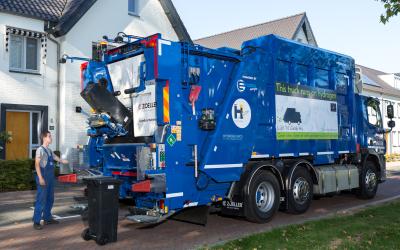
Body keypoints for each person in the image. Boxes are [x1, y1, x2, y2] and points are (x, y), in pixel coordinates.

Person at [33, 131, 69, 230]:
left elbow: (55, 157)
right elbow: (37, 164)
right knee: (41, 200)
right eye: (49, 136)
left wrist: (65, 161)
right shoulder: (40, 150)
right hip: (43, 178)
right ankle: (36, 221)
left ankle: (47, 218)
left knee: (50, 199)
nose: (51, 138)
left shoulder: (49, 150)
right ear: (44, 138)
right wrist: (40, 178)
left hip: (50, 179)